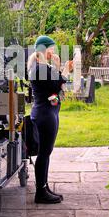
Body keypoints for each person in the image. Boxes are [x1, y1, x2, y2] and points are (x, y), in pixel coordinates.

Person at [27, 35, 73, 204]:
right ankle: (40, 192)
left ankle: (44, 187)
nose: (53, 51)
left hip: (47, 112)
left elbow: (55, 86)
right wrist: (65, 69)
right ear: (43, 49)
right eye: (51, 48)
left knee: (45, 153)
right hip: (45, 115)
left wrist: (58, 69)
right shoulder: (40, 68)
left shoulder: (42, 67)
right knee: (44, 153)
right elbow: (58, 84)